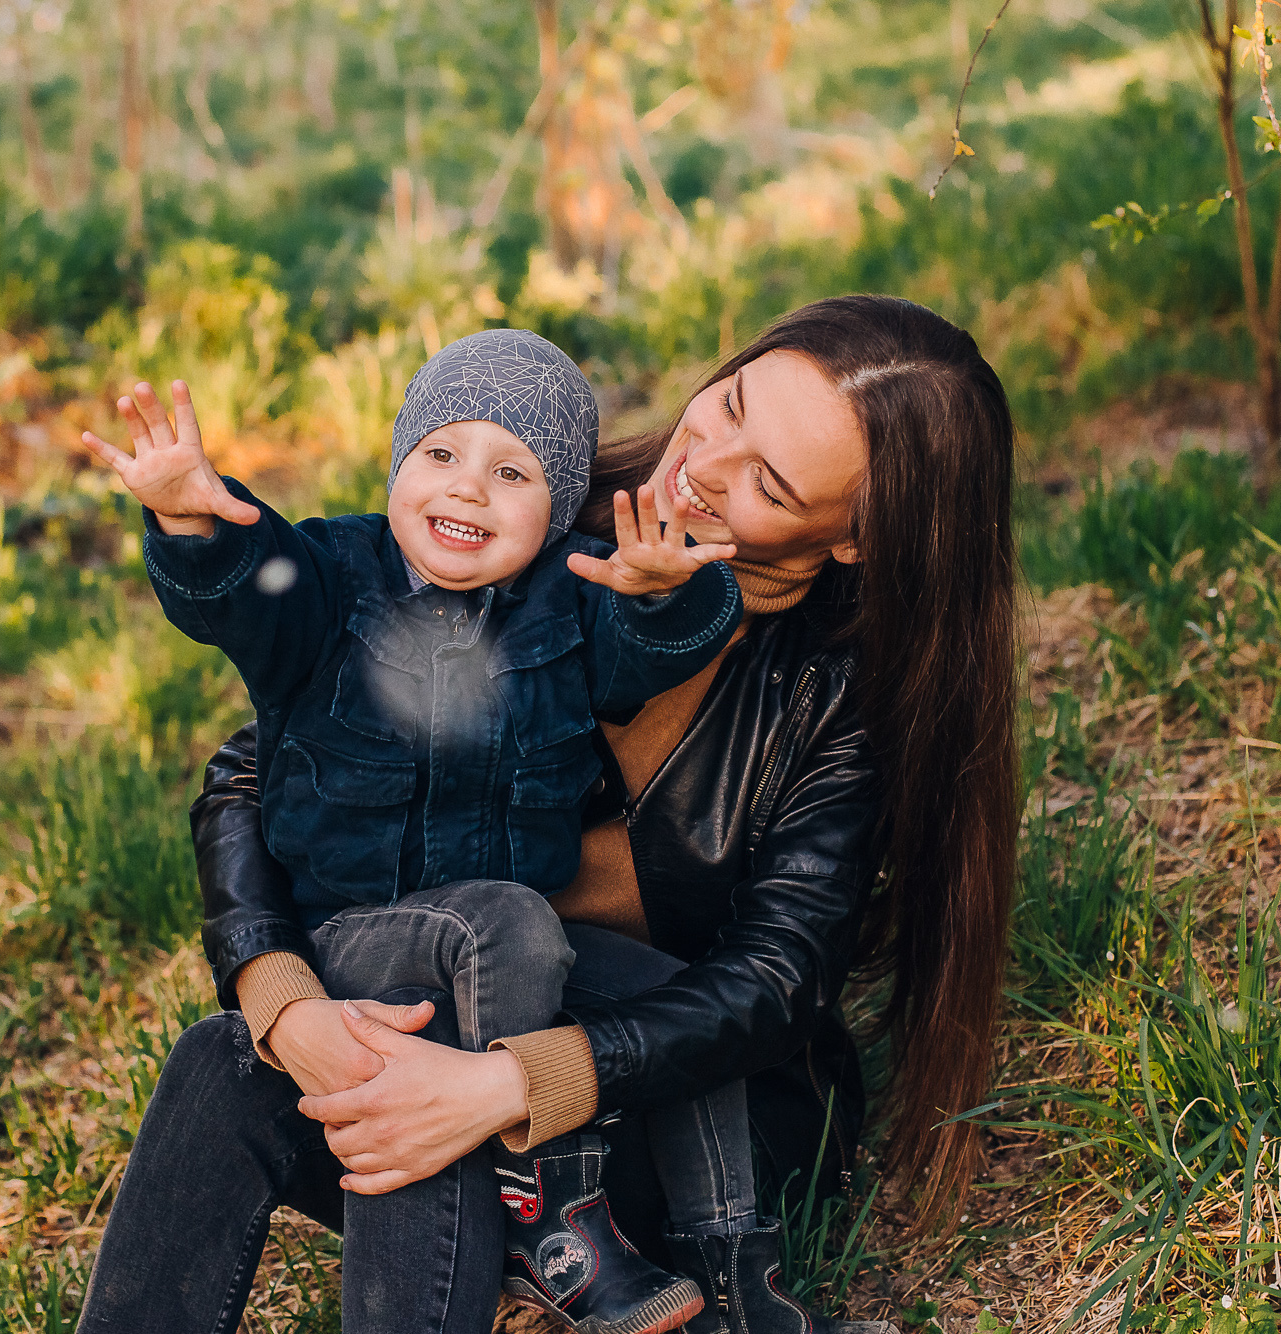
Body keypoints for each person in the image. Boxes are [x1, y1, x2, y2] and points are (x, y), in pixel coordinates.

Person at [79, 295, 1019, 1334]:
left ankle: (679, 1280)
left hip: (653, 1107)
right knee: (231, 1059)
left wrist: (499, 1088)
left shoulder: (836, 694)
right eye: (728, 407)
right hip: (430, 997)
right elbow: (262, 767)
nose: (704, 465)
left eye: (767, 481)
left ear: (853, 535)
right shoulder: (534, 499)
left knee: (431, 1093)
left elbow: (771, 981)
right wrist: (283, 994)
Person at [81, 329, 751, 1334]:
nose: (466, 489)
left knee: (665, 994)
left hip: (507, 971)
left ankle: (738, 1279)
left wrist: (665, 590)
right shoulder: (329, 579)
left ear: (558, 506)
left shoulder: (570, 600)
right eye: (439, 453)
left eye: (510, 470)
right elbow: (249, 583)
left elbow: (637, 648)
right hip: (356, 932)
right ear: (397, 463)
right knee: (502, 918)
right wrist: (191, 522)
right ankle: (548, 1218)